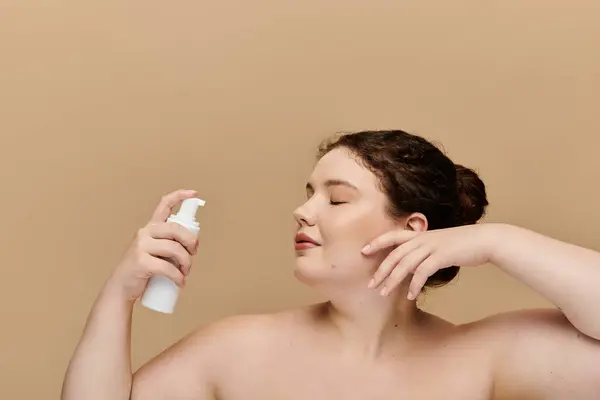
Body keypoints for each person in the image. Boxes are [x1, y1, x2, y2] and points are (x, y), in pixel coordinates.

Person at [61, 130, 600, 400]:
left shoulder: (487, 357)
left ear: (409, 229)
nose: (303, 210)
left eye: (336, 199)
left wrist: (505, 242)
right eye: (308, 193)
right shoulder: (234, 350)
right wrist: (118, 296)